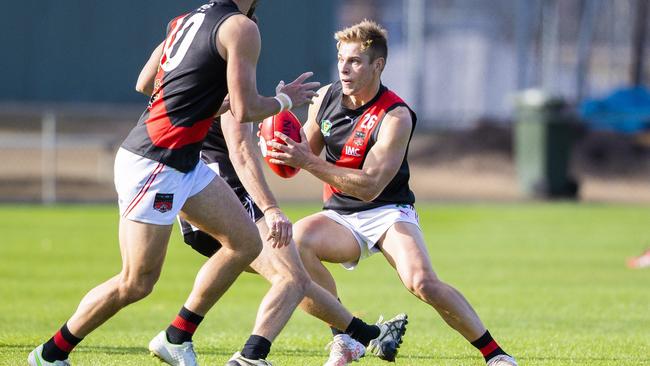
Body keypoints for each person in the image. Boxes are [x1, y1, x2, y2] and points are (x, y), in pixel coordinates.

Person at [27, 1, 320, 365]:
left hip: (182, 162)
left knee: (245, 242)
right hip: (156, 162)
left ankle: (176, 336)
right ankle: (51, 354)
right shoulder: (242, 28)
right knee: (136, 282)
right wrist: (285, 100)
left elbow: (145, 83)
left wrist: (199, 102)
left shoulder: (186, 19)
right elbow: (244, 111)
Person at [266, 20, 519, 366]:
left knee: (422, 282)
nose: (344, 67)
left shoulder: (395, 115)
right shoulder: (325, 98)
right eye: (341, 58)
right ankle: (346, 338)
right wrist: (274, 117)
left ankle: (496, 355)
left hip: (388, 211)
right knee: (296, 246)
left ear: (377, 65)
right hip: (340, 216)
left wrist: (307, 162)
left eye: (355, 61)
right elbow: (299, 156)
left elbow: (370, 186)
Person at [147, 110, 408, 366]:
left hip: (189, 186)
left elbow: (145, 84)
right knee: (290, 276)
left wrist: (276, 102)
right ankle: (250, 355)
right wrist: (271, 209)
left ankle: (365, 335)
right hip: (226, 192)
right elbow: (241, 151)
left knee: (287, 273)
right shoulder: (227, 73)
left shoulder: (190, 74)